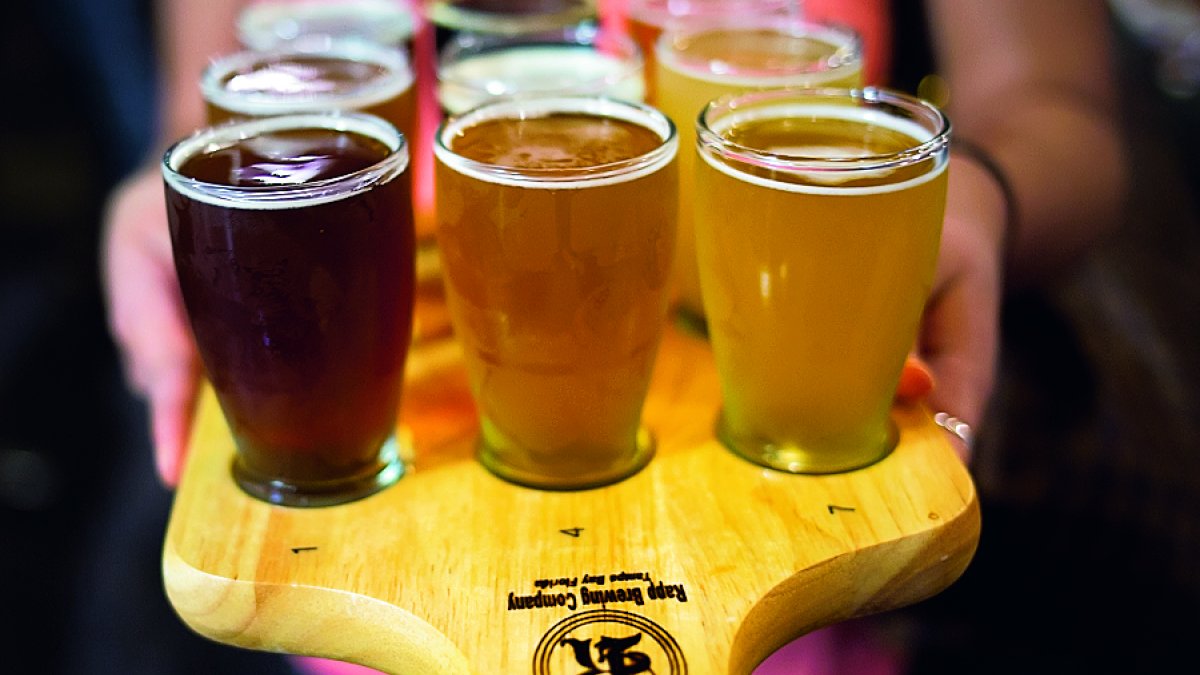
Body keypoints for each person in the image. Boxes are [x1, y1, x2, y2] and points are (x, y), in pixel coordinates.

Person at [99, 0, 1132, 673]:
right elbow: (203, 124)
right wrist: (157, 204)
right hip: (376, 580)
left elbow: (1064, 109)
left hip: (803, 577)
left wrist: (977, 201)